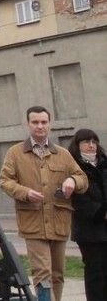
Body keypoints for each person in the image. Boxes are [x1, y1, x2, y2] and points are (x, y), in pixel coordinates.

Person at [0, 106, 88, 301]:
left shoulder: (63, 154)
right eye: (35, 122)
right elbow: (5, 180)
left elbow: (82, 178)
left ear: (49, 124)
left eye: (44, 122)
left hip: (59, 221)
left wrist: (72, 181)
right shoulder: (15, 153)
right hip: (33, 223)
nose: (40, 126)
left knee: (58, 274)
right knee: (42, 273)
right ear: (28, 124)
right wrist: (25, 192)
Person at [68, 128, 107, 301]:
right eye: (86, 142)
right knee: (95, 272)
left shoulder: (104, 163)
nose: (91, 146)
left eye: (94, 142)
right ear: (78, 145)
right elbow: (79, 200)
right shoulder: (73, 166)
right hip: (89, 230)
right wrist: (102, 213)